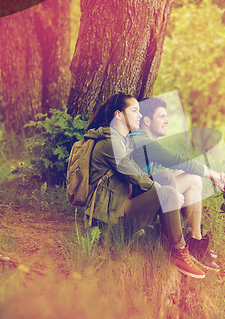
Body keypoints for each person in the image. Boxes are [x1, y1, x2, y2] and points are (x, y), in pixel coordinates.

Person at [83, 92, 205, 279]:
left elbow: (137, 175)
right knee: (167, 193)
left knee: (165, 177)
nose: (139, 115)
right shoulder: (110, 144)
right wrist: (169, 194)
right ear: (118, 115)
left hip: (119, 205)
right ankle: (179, 251)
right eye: (134, 111)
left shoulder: (120, 140)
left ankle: (166, 236)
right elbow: (136, 177)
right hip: (110, 223)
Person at [129, 97, 225, 271]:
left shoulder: (139, 139)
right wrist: (214, 175)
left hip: (139, 196)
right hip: (133, 209)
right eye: (161, 116)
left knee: (185, 175)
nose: (167, 121)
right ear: (147, 120)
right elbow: (179, 161)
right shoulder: (143, 143)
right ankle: (194, 243)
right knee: (192, 178)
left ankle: (194, 240)